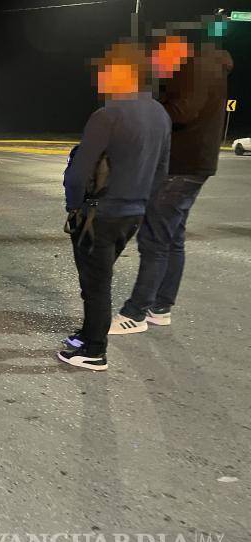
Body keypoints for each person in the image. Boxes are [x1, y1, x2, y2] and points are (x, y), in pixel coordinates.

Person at [111, 24, 233, 334]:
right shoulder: (203, 65)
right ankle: (160, 307)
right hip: (192, 165)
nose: (156, 63)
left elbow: (181, 112)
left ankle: (135, 314)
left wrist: (143, 108)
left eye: (158, 55)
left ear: (175, 46)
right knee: (172, 238)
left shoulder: (198, 68)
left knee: (154, 240)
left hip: (180, 167)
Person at [58, 42, 171, 371]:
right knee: (98, 278)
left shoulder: (107, 116)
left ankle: (94, 350)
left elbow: (79, 171)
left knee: (95, 283)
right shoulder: (160, 115)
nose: (101, 79)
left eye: (107, 72)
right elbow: (161, 171)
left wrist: (73, 206)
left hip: (99, 213)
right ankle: (87, 334)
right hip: (133, 214)